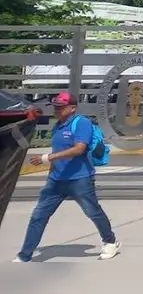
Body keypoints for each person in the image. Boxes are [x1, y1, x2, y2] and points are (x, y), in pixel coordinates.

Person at [13, 92, 121, 262]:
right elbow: (57, 151)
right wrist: (50, 174)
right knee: (38, 216)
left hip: (80, 179)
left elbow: (79, 149)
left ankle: (110, 241)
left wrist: (48, 158)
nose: (57, 110)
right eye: (55, 107)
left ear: (72, 108)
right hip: (56, 181)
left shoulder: (81, 123)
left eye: (61, 107)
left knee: (93, 212)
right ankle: (25, 255)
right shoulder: (58, 126)